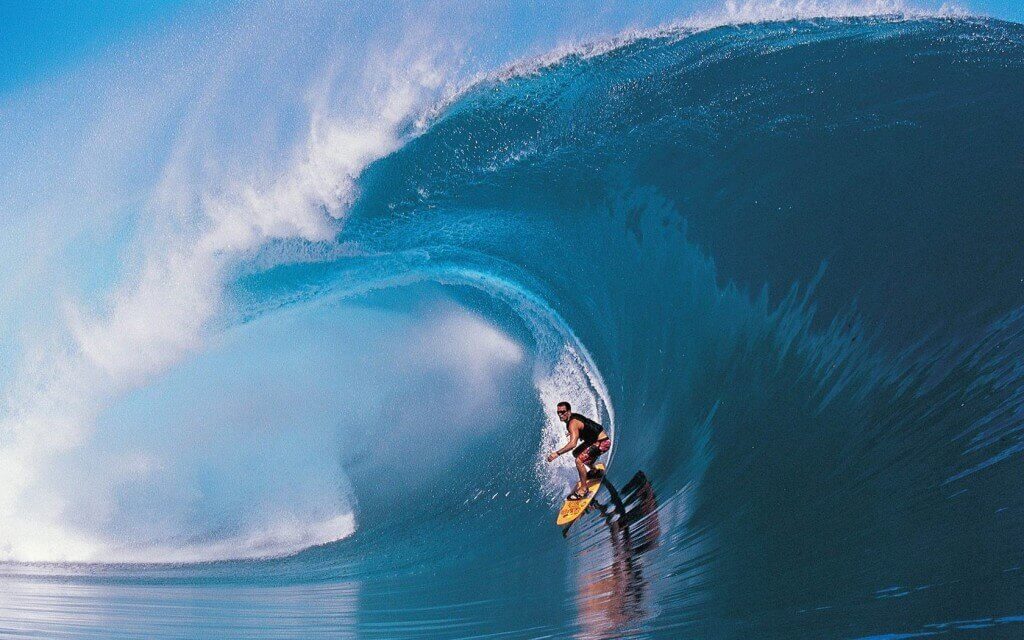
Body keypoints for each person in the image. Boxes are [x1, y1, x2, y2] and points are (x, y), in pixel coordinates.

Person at [546, 401, 611, 500]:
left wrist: (557, 453)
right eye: (558, 412)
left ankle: (584, 490)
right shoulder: (572, 419)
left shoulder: (572, 423)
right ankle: (595, 471)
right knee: (576, 453)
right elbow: (584, 425)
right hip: (594, 441)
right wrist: (573, 432)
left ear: (568, 411)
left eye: (563, 412)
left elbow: (572, 444)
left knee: (579, 461)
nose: (560, 414)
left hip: (602, 443)